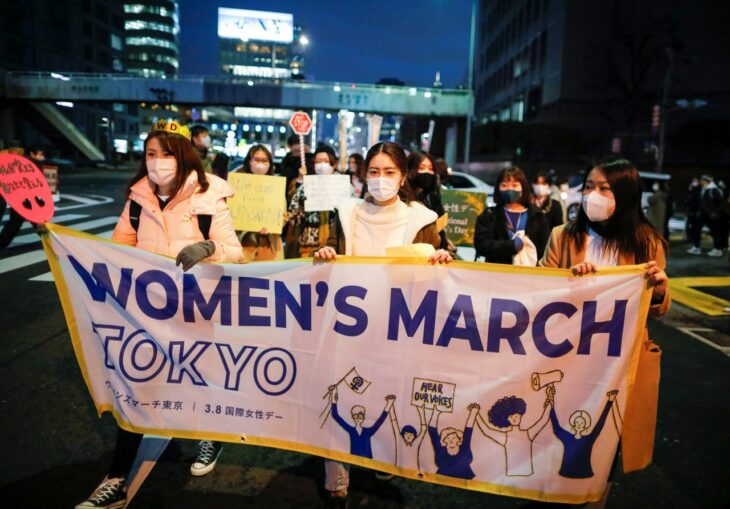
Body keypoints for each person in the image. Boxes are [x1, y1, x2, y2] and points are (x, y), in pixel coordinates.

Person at [75, 121, 243, 509]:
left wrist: (208, 247)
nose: (158, 162)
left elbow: (234, 251)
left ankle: (210, 437)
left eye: (166, 154)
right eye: (151, 154)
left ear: (184, 156)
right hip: (146, 313)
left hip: (196, 308)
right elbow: (119, 249)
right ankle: (116, 479)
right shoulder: (137, 200)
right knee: (137, 387)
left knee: (200, 378)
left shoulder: (209, 197)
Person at [314, 141, 452, 506]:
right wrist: (326, 253)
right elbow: (327, 252)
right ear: (363, 175)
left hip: (396, 328)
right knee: (340, 394)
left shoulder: (421, 219)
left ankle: (382, 456)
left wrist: (439, 258)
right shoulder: (345, 213)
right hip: (347, 325)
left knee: (387, 396)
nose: (380, 179)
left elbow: (435, 273)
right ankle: (336, 476)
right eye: (373, 172)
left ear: (403, 176)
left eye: (389, 172)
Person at [539, 156, 670, 508]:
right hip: (568, 361)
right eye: (588, 187)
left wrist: (658, 289)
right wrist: (567, 282)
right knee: (556, 443)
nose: (593, 196)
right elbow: (537, 292)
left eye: (604, 189)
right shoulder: (562, 237)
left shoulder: (647, 244)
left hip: (617, 367)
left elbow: (656, 310)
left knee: (606, 444)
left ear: (624, 195)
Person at [474, 166, 550, 266]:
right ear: (498, 188)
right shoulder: (490, 215)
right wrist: (511, 246)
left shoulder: (538, 216)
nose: (510, 189)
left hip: (529, 276)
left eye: (515, 185)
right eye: (504, 185)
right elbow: (481, 245)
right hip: (496, 274)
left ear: (523, 187)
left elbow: (544, 251)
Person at [285, 144, 343, 258]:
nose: (322, 165)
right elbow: (293, 217)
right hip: (309, 247)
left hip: (335, 247)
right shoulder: (306, 186)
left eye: (326, 161)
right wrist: (302, 188)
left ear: (333, 163)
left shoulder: (343, 185)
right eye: (318, 161)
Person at [0, 146, 46, 249]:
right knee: (25, 220)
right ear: (32, 154)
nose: (43, 157)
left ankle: (50, 241)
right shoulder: (28, 164)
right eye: (40, 154)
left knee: (18, 221)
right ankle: (50, 241)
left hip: (24, 197)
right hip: (25, 197)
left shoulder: (27, 163)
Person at [407, 151, 449, 250]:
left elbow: (440, 226)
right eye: (421, 168)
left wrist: (444, 244)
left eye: (430, 169)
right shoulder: (403, 199)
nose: (427, 172)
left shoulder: (433, 197)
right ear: (409, 170)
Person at [427, 404, 480, 480]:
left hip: (466, 484)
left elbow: (468, 430)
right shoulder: (440, 449)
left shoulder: (464, 447)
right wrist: (436, 412)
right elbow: (432, 431)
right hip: (442, 483)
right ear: (444, 440)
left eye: (454, 438)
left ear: (459, 439)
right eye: (447, 438)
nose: (451, 440)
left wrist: (473, 413)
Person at [689, 174, 726, 256]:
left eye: (702, 180)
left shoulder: (714, 190)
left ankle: (718, 249)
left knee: (715, 231)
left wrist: (715, 212)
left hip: (712, 215)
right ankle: (696, 247)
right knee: (697, 229)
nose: (700, 181)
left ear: (706, 181)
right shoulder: (704, 189)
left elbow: (720, 203)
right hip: (704, 214)